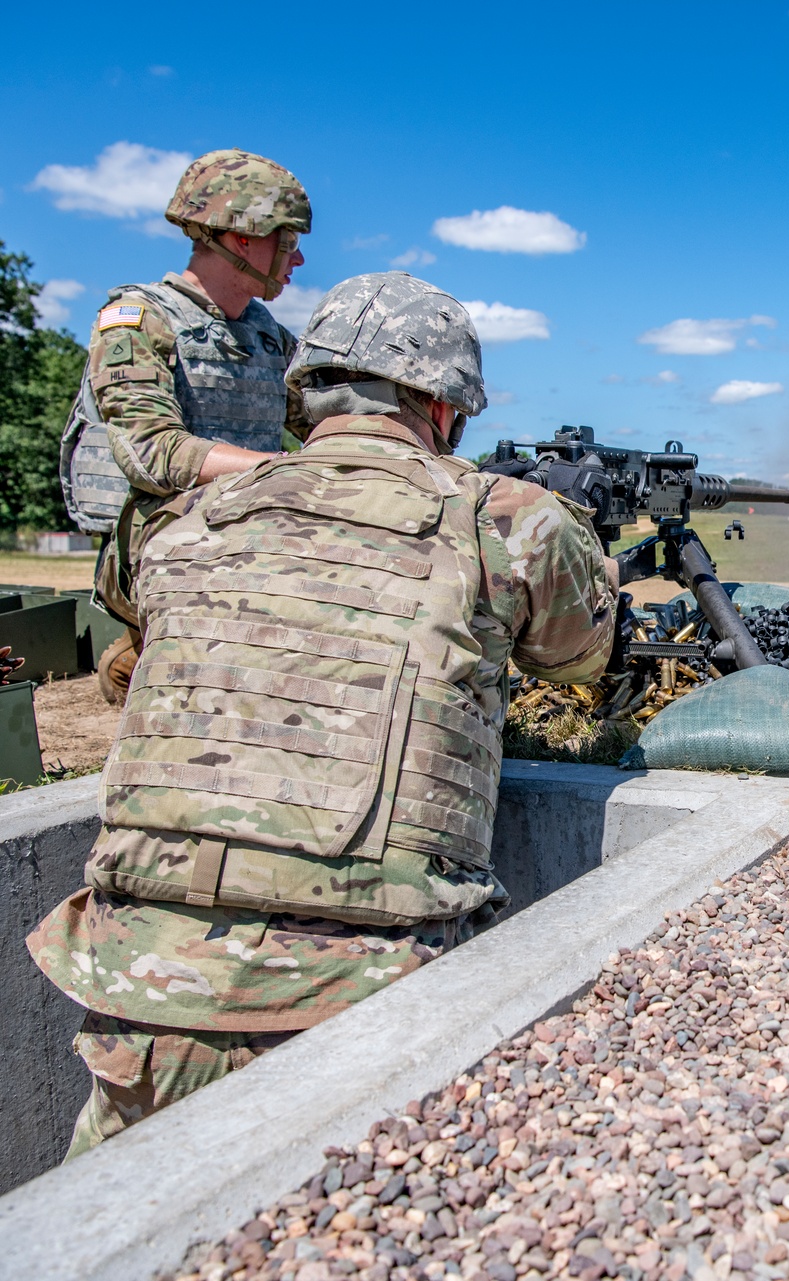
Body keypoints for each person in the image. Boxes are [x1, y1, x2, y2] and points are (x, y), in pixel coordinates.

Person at [28, 271, 619, 1155]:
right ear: (442, 407)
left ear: (307, 393)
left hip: (139, 994)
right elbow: (581, 654)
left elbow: (131, 593)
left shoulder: (187, 515)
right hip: (369, 996)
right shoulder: (500, 515)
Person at [60, 147, 312, 700]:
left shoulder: (268, 335)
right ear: (243, 236)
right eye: (288, 241)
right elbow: (151, 451)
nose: (297, 261)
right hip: (163, 540)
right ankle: (138, 654)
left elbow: (327, 420)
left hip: (250, 529)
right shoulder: (136, 319)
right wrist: (282, 472)